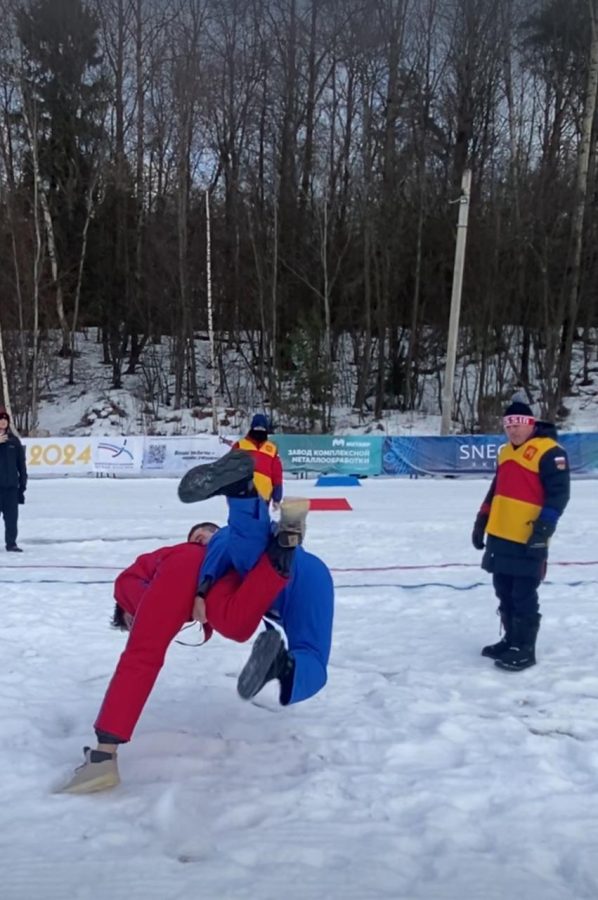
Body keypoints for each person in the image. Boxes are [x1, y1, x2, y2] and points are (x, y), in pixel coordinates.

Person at [58, 455, 332, 794]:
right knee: (299, 652)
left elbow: (145, 636)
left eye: (202, 532)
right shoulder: (222, 558)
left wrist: (164, 611)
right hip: (302, 573)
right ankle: (286, 665)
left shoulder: (181, 555)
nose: (201, 535)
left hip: (227, 567)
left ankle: (101, 760)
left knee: (147, 652)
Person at [471, 398, 570, 671]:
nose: (513, 431)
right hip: (501, 535)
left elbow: (559, 495)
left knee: (523, 593)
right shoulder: (505, 452)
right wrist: (482, 520)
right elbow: (497, 489)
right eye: (509, 425)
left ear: (531, 424)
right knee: (502, 589)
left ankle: (525, 648)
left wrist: (544, 529)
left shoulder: (550, 451)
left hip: (529, 536)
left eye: (519, 425)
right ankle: (511, 639)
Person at [232, 413, 283, 507]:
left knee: (261, 521)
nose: (259, 432)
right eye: (257, 429)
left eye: (262, 429)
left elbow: (277, 474)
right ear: (252, 429)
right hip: (242, 496)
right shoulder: (240, 445)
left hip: (264, 497)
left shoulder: (272, 448)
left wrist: (277, 497)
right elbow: (231, 470)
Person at [0, 405, 27, 552]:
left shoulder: (14, 441)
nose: (3, 422)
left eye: (5, 419)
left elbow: (21, 466)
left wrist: (22, 486)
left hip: (11, 487)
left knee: (11, 519)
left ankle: (11, 543)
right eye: (1, 419)